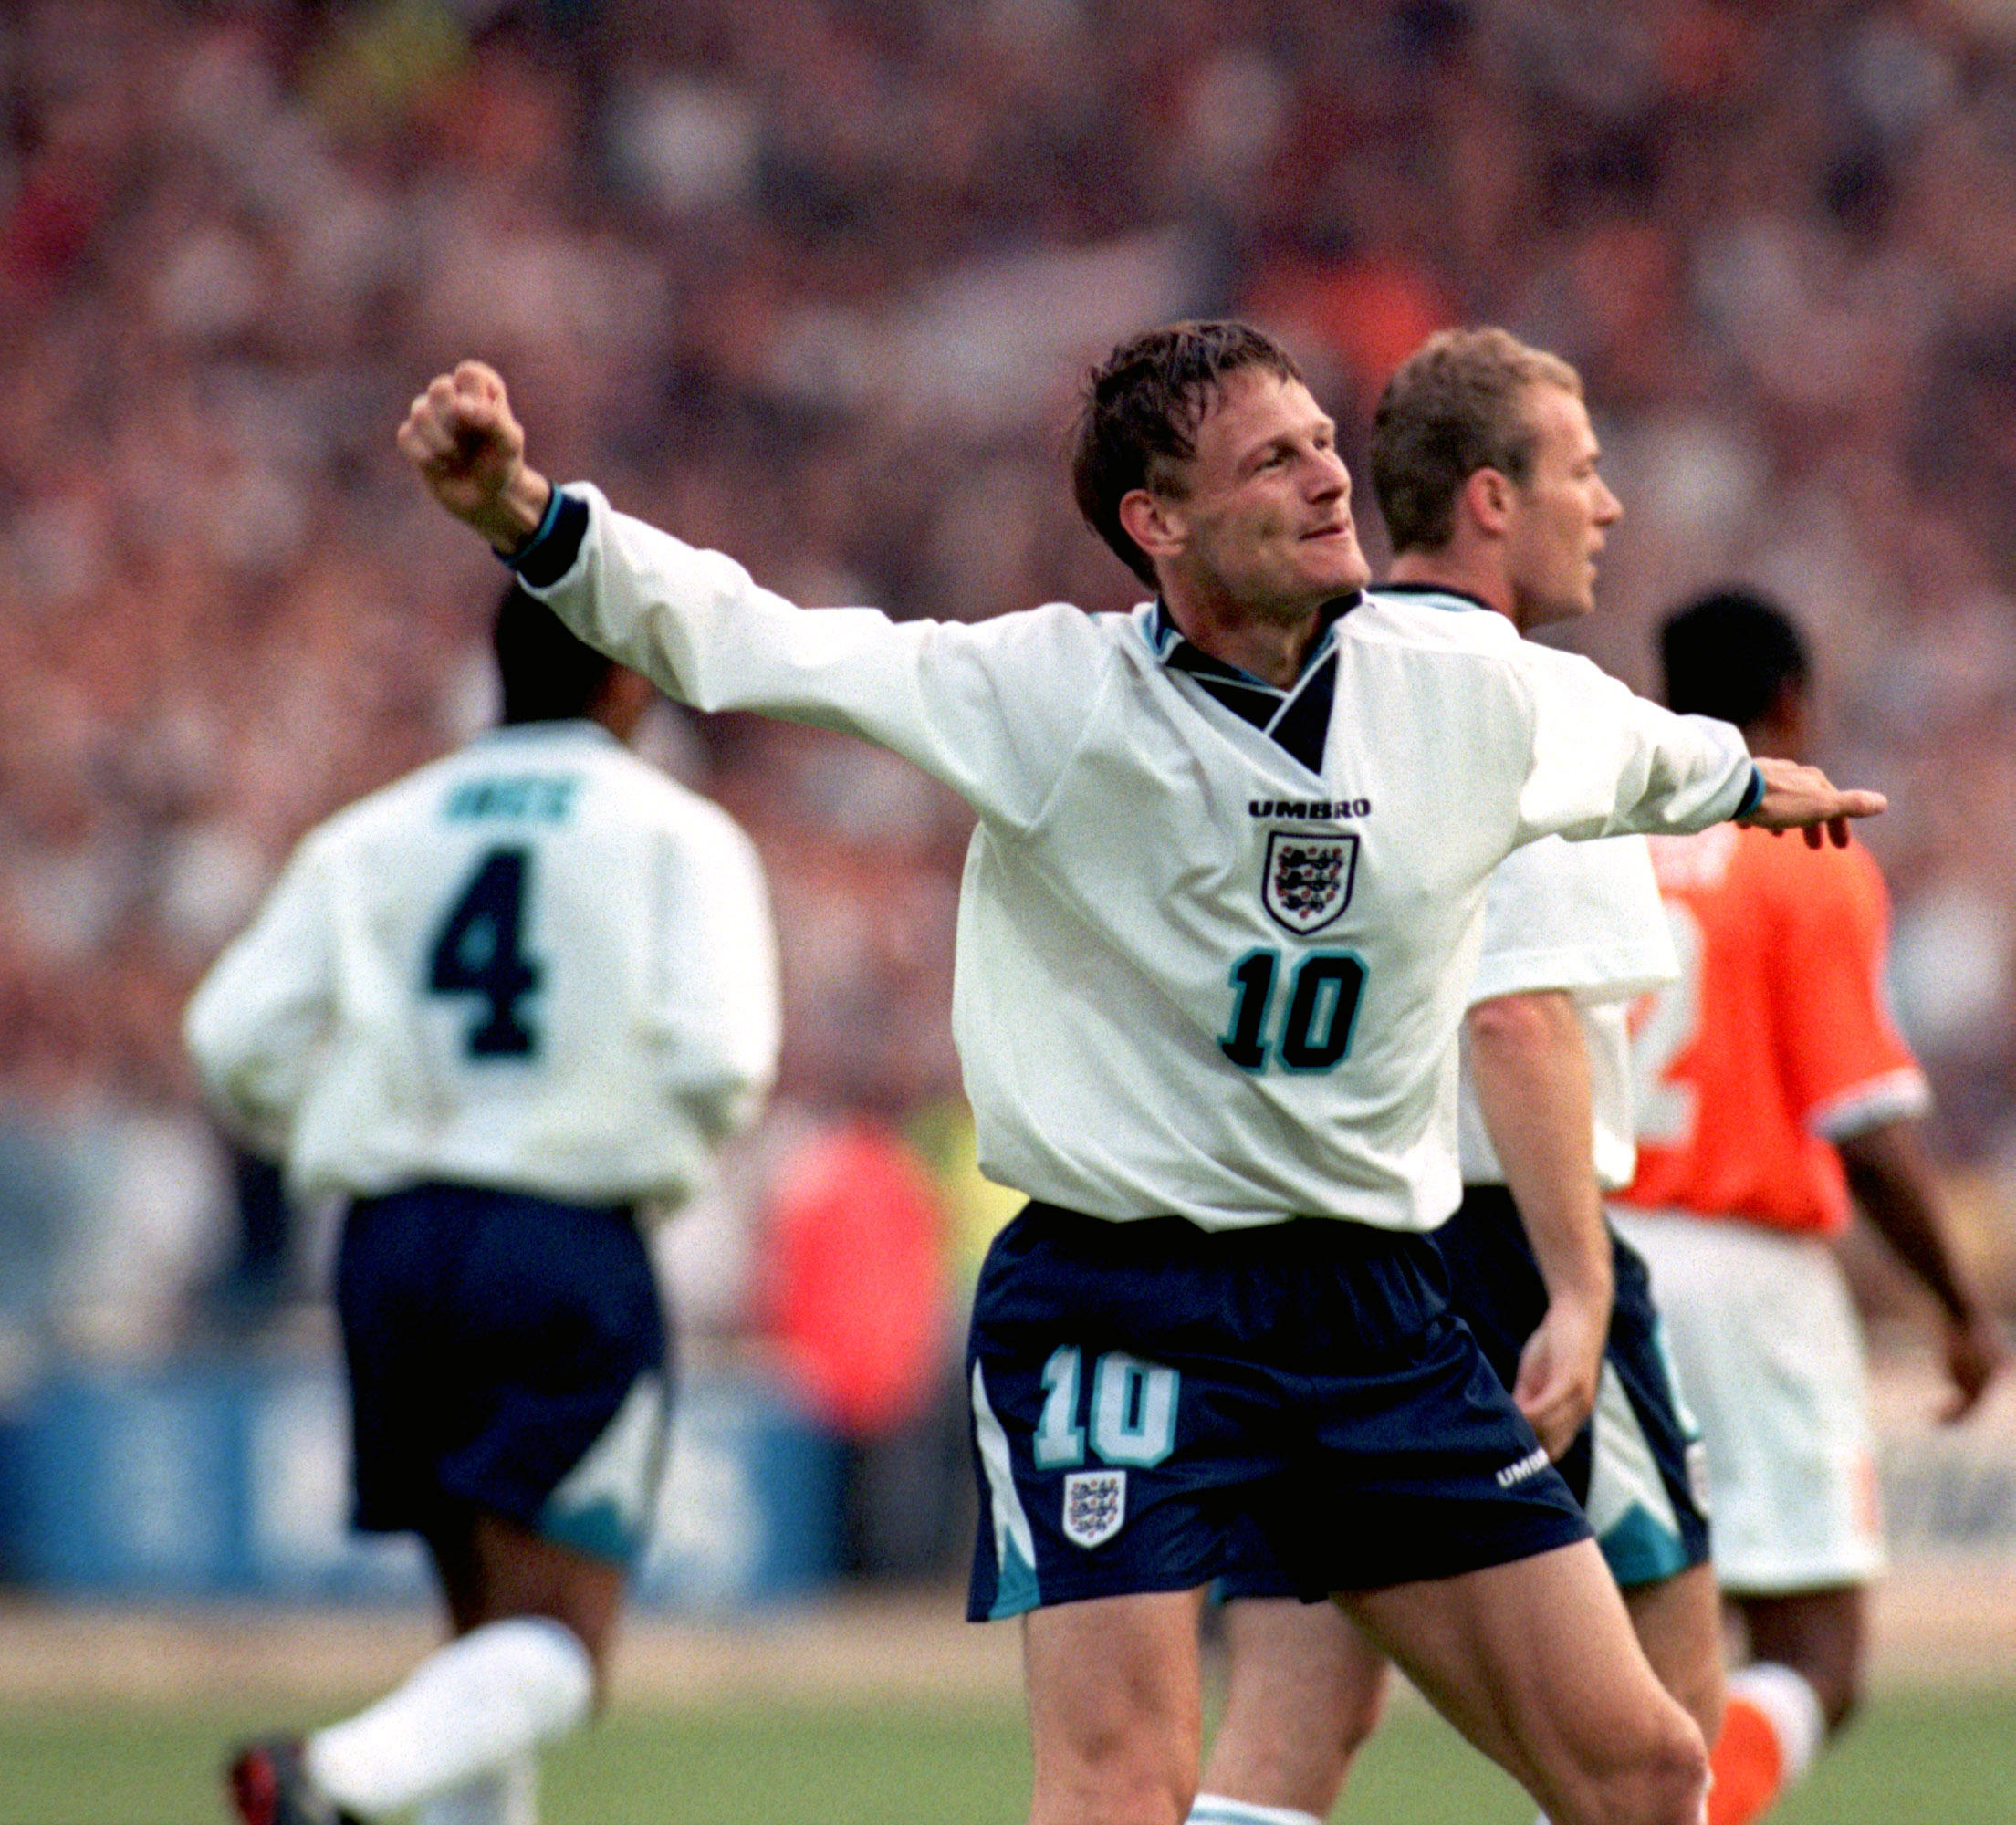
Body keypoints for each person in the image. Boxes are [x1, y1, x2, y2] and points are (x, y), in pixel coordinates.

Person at [394, 328, 1883, 1825]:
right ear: (1156, 526)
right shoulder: (1051, 696)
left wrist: (1744, 778)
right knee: (1122, 1785)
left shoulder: (1453, 680)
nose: (1325, 476)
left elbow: (1620, 748)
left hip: (1376, 1307)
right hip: (1125, 1305)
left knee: (1642, 1768)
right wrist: (531, 518)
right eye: (1271, 459)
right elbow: (753, 638)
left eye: (1319, 441)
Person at [1193, 327, 1735, 1825]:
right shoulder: (1509, 699)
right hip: (1492, 1236)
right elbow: (1520, 1015)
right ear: (1490, 499)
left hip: (1297, 1252)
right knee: (1666, 1729)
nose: (1608, 503)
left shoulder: (1300, 681)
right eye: (1582, 468)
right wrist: (1578, 1284)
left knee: (1290, 1729)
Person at [186, 587, 781, 1825]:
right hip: (563, 1235)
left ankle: (358, 1776)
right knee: (561, 1644)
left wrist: (354, 1127)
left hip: (394, 1238)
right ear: (627, 684)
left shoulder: (372, 832)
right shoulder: (674, 833)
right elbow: (725, 1059)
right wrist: (637, 1153)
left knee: (482, 1642)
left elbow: (230, 1037)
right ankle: (330, 1778)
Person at [1611, 589, 2003, 1825]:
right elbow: (1865, 1127)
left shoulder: (1589, 838)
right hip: (1745, 1276)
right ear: (1789, 704)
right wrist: (1958, 1302)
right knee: (1817, 1656)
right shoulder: (1804, 853)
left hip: (1592, 1258)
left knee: (1627, 1661)